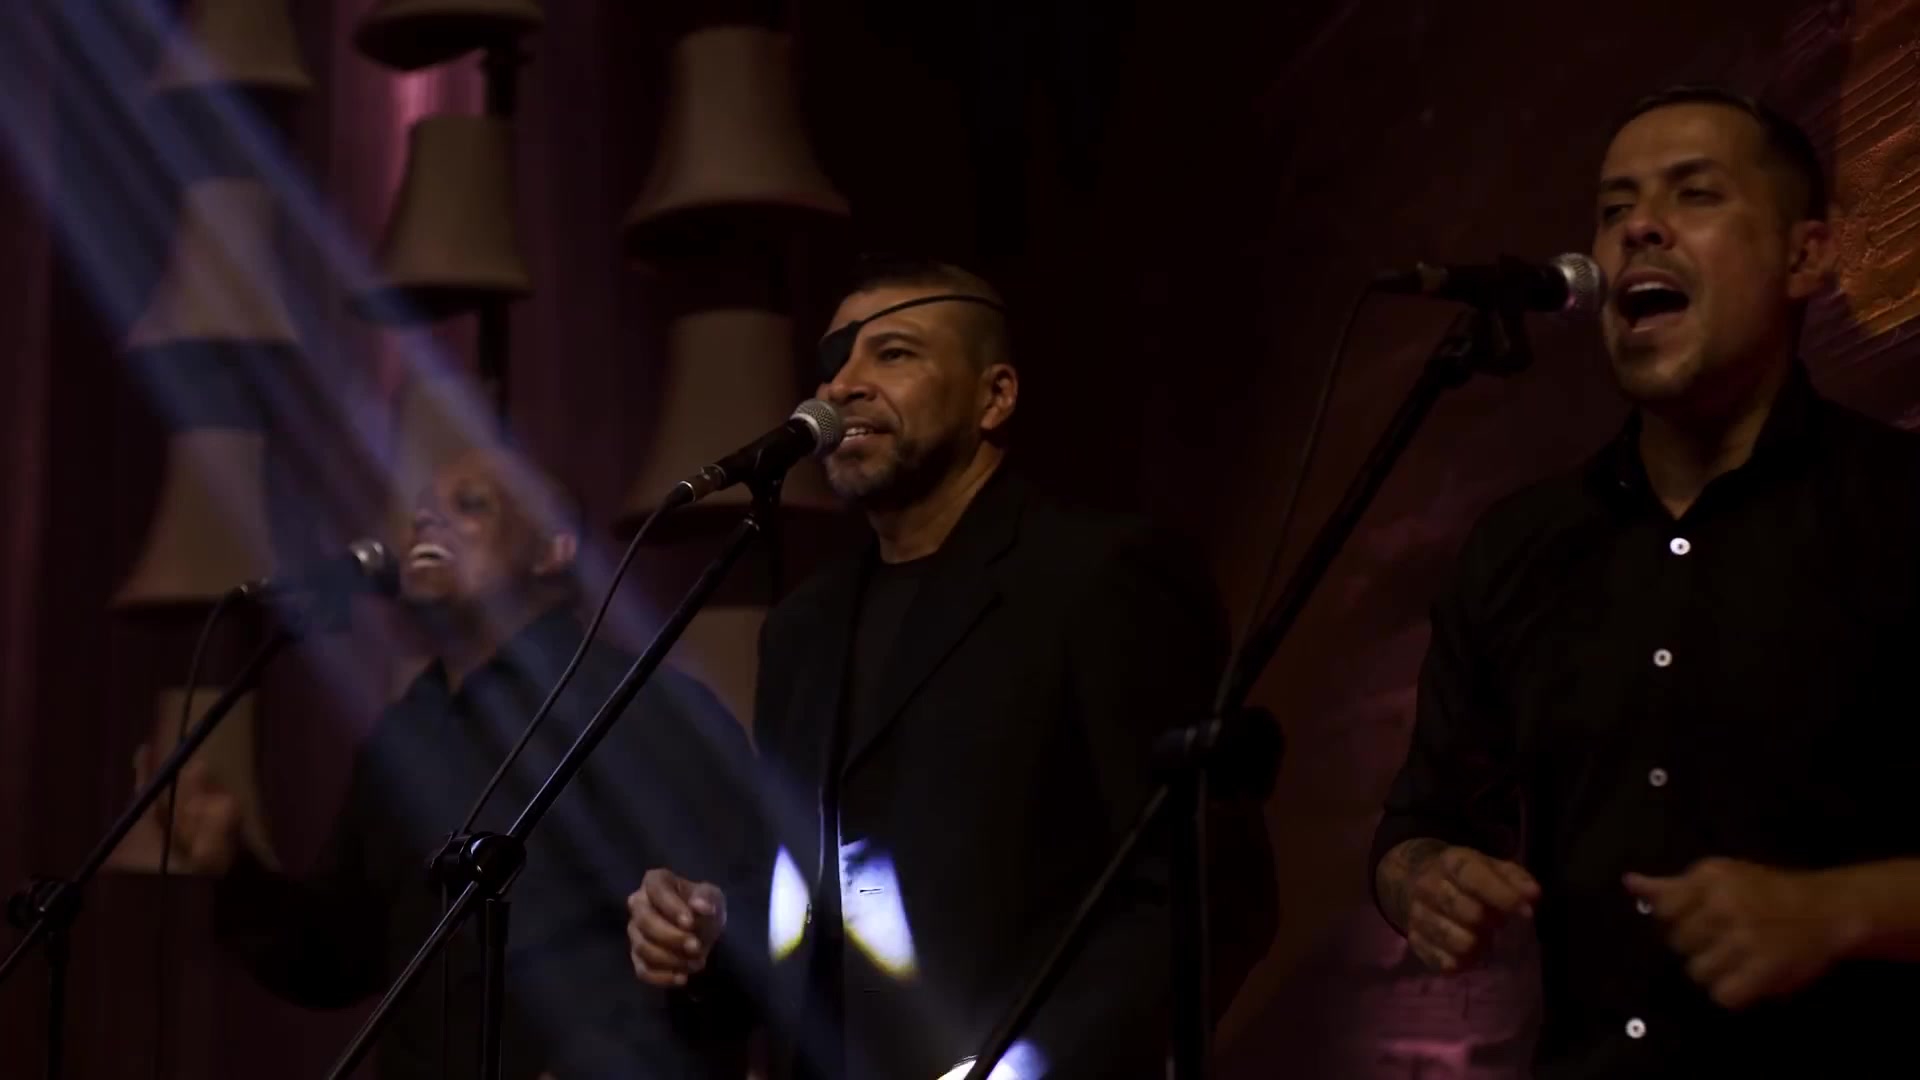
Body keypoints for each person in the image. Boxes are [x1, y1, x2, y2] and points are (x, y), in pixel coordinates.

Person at [1370, 85, 1920, 1078]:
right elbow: (1422, 824)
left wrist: (1844, 910)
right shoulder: (1521, 547)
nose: (1638, 229)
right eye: (1614, 208)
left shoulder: (1901, 511)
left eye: (1693, 194)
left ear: (1807, 256)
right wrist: (1424, 881)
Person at [623, 255, 1278, 1079]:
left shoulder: (1100, 576)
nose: (843, 386)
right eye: (834, 362)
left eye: (893, 353)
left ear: (994, 396)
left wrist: (1024, 1066)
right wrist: (708, 935)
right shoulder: (803, 628)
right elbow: (800, 899)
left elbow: (1203, 892)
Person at [162, 446, 756, 1079]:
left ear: (554, 549)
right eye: (420, 510)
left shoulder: (636, 703)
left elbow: (729, 936)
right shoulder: (404, 732)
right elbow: (341, 957)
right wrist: (234, 867)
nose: (426, 521)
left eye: (470, 506)